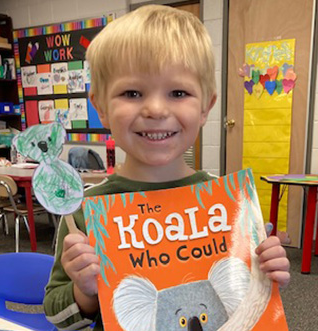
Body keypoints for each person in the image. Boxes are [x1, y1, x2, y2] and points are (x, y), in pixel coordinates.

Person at [43, 5, 290, 330]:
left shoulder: (227, 205)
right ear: (100, 107)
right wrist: (85, 291)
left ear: (205, 107)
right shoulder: (84, 211)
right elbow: (57, 316)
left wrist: (267, 273)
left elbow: (247, 302)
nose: (156, 109)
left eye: (178, 92)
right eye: (132, 92)